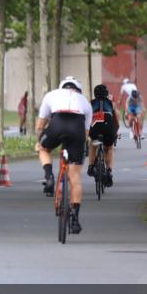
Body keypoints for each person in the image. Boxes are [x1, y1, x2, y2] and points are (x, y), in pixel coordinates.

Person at [36, 76, 93, 234]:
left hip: (57, 123)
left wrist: (40, 140)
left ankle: (49, 177)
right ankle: (75, 218)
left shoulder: (51, 95)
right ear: (78, 90)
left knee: (43, 148)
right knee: (75, 177)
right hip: (77, 128)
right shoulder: (85, 102)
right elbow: (87, 132)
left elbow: (40, 124)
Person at [87, 84, 119, 187]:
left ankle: (91, 166)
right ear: (106, 94)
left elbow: (86, 119)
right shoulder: (111, 104)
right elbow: (116, 121)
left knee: (93, 145)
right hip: (108, 129)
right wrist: (115, 132)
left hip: (95, 130)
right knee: (109, 148)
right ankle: (109, 171)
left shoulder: (90, 103)